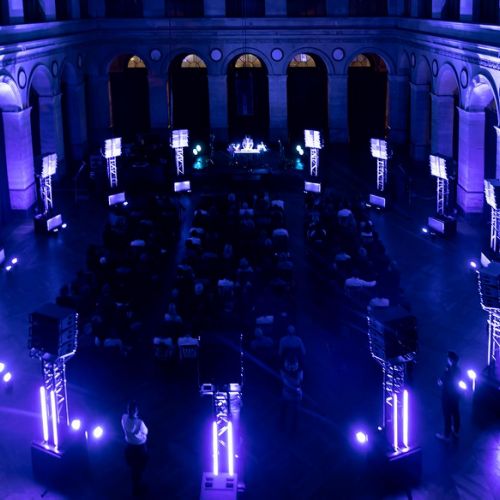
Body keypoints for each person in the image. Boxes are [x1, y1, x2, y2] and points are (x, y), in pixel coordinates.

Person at [121, 401, 148, 496]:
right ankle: (137, 490)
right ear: (136, 411)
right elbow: (146, 432)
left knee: (134, 468)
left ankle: (136, 487)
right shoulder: (140, 423)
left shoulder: (124, 418)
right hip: (140, 448)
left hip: (129, 446)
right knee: (138, 468)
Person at [436, 351, 463, 442]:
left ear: (451, 360)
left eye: (448, 358)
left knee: (447, 415)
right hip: (455, 396)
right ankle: (456, 431)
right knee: (455, 413)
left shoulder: (448, 370)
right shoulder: (458, 370)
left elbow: (444, 381)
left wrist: (440, 381)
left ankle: (446, 435)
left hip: (447, 396)